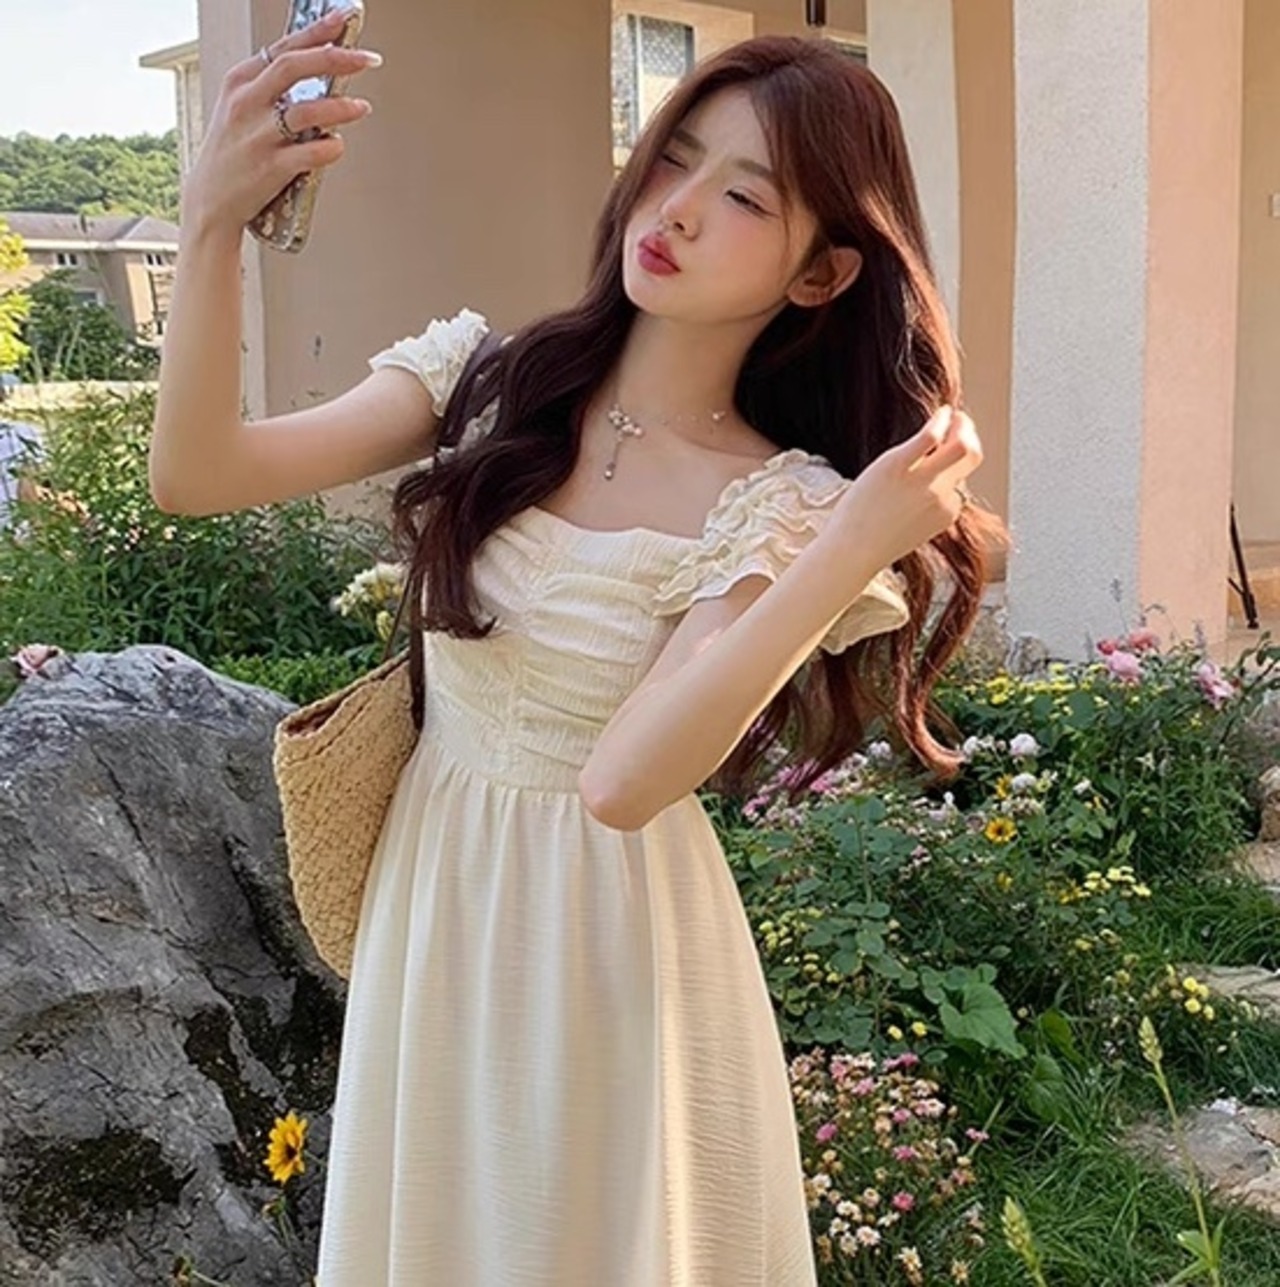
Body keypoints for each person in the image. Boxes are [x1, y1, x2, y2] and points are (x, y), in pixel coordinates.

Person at [150, 10, 996, 1285]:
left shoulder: (782, 504)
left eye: (745, 197)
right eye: (675, 159)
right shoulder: (488, 383)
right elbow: (199, 472)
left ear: (820, 275)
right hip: (438, 893)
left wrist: (846, 547)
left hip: (610, 941)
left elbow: (622, 783)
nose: (679, 208)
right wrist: (212, 221)